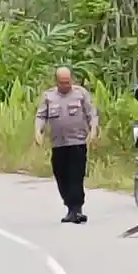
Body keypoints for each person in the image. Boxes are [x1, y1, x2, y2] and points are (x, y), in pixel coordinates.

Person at [34, 67, 99, 224]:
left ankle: (76, 209)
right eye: (62, 82)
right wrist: (38, 131)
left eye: (68, 81)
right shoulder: (49, 96)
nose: (66, 85)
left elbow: (91, 113)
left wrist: (94, 129)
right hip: (58, 144)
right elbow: (41, 115)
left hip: (77, 142)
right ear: (57, 82)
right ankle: (70, 206)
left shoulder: (80, 94)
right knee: (61, 175)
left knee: (76, 176)